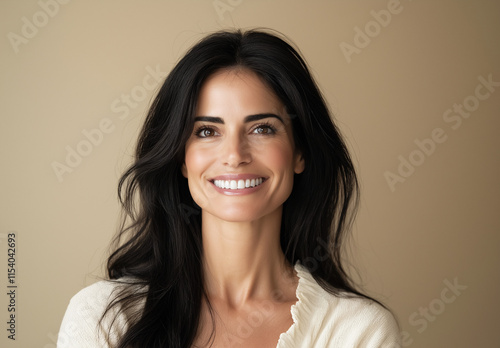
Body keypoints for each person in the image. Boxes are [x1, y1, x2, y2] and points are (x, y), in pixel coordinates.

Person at [57, 29, 401, 347]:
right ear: (181, 157)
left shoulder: (357, 331)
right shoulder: (102, 318)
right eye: (207, 131)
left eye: (262, 128)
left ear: (300, 153)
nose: (235, 156)